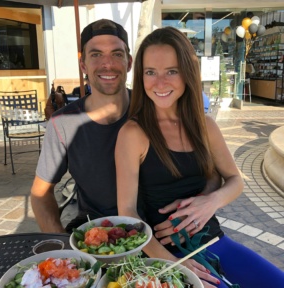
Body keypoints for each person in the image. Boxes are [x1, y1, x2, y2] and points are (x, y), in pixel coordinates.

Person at [30, 18, 220, 285]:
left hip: (169, 239)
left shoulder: (157, 105)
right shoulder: (62, 124)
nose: (107, 64)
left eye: (116, 54)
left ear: (130, 62)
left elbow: (208, 170)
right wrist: (66, 250)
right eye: (96, 54)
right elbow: (40, 195)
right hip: (105, 244)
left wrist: (199, 204)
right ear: (83, 64)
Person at [115, 26, 284, 288]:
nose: (160, 83)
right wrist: (171, 263)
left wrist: (210, 202)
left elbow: (234, 180)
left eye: (171, 71)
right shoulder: (133, 132)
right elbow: (126, 211)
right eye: (150, 72)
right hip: (169, 256)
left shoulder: (205, 125)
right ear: (140, 76)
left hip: (216, 241)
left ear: (187, 73)